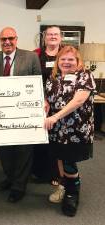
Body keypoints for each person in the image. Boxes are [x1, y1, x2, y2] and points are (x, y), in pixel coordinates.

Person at [0, 27, 41, 203]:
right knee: (5, 150)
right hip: (1, 114)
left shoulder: (31, 57)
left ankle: (19, 186)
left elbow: (38, 81)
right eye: (3, 39)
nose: (7, 42)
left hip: (25, 113)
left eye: (10, 38)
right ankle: (10, 178)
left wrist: (41, 103)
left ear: (16, 39)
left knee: (24, 150)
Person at [44, 45, 95, 217]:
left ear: (77, 61)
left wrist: (55, 117)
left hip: (75, 129)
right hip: (56, 129)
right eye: (63, 59)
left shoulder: (85, 76)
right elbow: (48, 96)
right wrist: (46, 102)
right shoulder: (53, 77)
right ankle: (63, 187)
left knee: (69, 161)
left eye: (70, 59)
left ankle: (73, 193)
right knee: (59, 158)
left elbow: (78, 101)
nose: (66, 62)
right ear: (58, 61)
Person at [32, 25, 63, 185]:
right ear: (44, 37)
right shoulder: (36, 54)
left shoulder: (66, 53)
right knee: (40, 138)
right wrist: (42, 98)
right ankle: (38, 172)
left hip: (60, 104)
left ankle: (56, 174)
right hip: (40, 103)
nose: (52, 37)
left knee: (57, 140)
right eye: (49, 34)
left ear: (60, 37)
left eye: (55, 34)